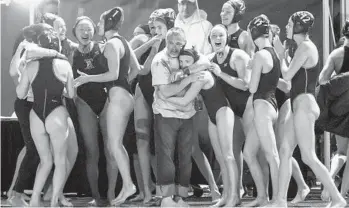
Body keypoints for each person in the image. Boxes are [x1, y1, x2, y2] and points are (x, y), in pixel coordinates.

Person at [270, 11, 347, 207]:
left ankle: (338, 198)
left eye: (289, 24)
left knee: (308, 156)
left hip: (304, 104)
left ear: (297, 26)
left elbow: (286, 75)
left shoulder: (305, 47)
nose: (286, 27)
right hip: (298, 104)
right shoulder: (301, 47)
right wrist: (281, 52)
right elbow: (289, 80)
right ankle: (279, 200)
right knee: (285, 150)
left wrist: (279, 53)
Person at [73, 7, 141, 206]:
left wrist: (88, 79)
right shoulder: (124, 41)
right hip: (125, 96)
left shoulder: (111, 43)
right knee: (115, 145)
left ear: (108, 24)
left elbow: (112, 75)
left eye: (100, 23)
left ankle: (127, 185)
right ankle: (126, 185)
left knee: (113, 145)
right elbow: (137, 69)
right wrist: (123, 84)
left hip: (118, 96)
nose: (97, 27)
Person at [160, 47, 239, 206]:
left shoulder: (201, 76)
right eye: (181, 62)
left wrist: (163, 96)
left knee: (228, 156)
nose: (183, 65)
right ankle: (225, 196)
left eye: (187, 62)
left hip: (223, 112)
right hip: (212, 116)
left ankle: (234, 196)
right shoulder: (194, 75)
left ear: (194, 62)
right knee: (220, 159)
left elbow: (184, 101)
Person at [16, 28, 76, 207]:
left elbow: (20, 94)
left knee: (45, 161)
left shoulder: (31, 65)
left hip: (36, 115)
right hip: (56, 111)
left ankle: (34, 199)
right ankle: (54, 202)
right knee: (60, 161)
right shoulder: (65, 65)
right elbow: (71, 94)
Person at [206, 24, 252, 206]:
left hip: (245, 108)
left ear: (227, 38)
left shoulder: (238, 56)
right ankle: (229, 194)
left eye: (220, 35)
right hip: (225, 111)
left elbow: (245, 84)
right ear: (209, 40)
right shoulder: (209, 59)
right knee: (224, 155)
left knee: (245, 153)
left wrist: (220, 73)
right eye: (213, 36)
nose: (217, 38)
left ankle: (259, 195)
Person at [269, 23, 310, 204]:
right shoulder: (264, 53)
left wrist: (267, 76)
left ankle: (296, 189)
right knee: (280, 150)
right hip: (271, 102)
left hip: (284, 101)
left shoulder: (282, 54)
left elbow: (287, 85)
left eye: (268, 34)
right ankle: (298, 188)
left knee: (283, 149)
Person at [243, 15, 280, 206]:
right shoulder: (273, 52)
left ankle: (279, 200)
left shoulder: (259, 55)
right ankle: (262, 197)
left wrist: (250, 69)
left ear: (252, 33)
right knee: (248, 153)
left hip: (262, 107)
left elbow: (252, 88)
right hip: (270, 106)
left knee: (271, 155)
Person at [318, 20, 349, 200]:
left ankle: (329, 179)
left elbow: (322, 80)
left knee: (341, 151)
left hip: (341, 107)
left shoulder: (337, 54)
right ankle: (341, 197)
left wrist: (342, 85)